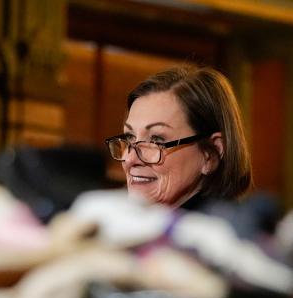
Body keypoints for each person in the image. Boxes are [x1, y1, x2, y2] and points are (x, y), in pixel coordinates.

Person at [105, 65, 253, 210]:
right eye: (130, 137)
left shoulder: (224, 231)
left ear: (210, 154)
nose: (130, 159)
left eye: (156, 140)